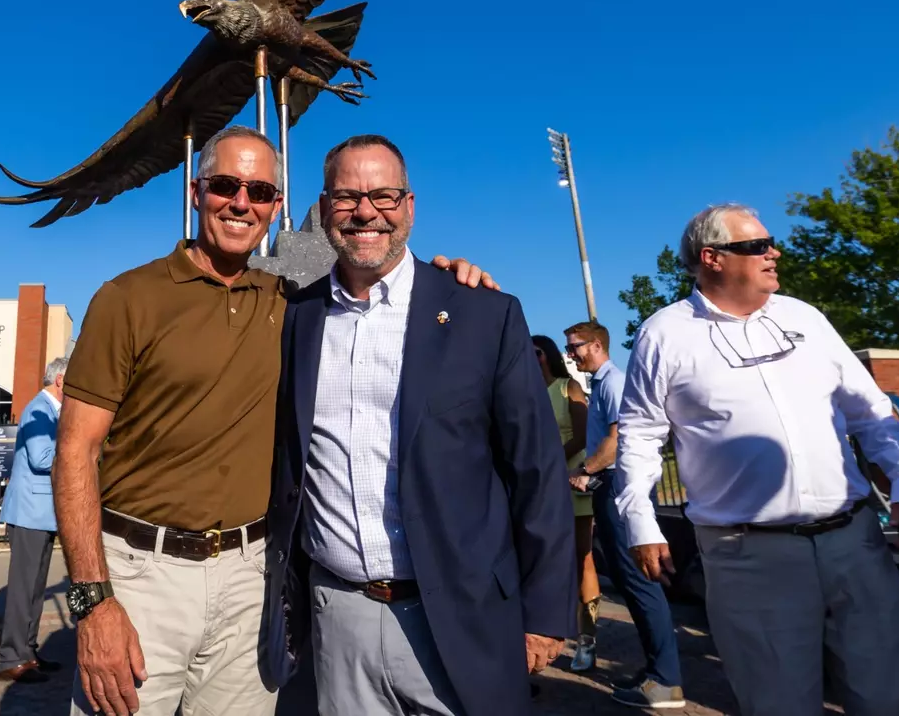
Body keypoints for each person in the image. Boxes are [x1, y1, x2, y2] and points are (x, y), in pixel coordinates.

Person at [55, 125, 491, 716]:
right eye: (225, 185)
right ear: (196, 191)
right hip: (142, 573)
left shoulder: (292, 299)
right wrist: (93, 602)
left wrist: (451, 280)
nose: (241, 203)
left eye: (259, 191)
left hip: (249, 578)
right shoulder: (128, 298)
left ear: (276, 205)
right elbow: (75, 452)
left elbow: (378, 269)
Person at [266, 134, 575, 716]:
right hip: (339, 620)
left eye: (384, 196)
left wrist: (545, 612)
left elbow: (536, 471)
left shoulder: (483, 313)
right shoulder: (295, 318)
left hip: (464, 614)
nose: (366, 213)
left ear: (409, 206)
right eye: (347, 197)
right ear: (324, 208)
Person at [616, 203, 899, 716]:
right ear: (712, 258)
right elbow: (639, 435)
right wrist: (641, 522)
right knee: (778, 702)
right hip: (748, 555)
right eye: (757, 246)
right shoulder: (665, 333)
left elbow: (870, 410)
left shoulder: (804, 317)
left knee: (893, 696)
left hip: (855, 542)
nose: (774, 253)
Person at [564, 321, 684, 709]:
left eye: (576, 346)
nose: (571, 354)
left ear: (597, 345)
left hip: (618, 486)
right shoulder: (601, 384)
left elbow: (618, 441)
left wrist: (585, 471)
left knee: (639, 580)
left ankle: (665, 679)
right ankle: (657, 672)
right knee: (631, 581)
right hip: (610, 487)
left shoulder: (613, 383)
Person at [0, 355, 69, 683]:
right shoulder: (39, 410)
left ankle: (27, 653)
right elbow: (42, 458)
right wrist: (76, 448)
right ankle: (11, 659)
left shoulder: (52, 411)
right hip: (29, 513)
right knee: (24, 589)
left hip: (41, 515)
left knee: (35, 590)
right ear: (60, 380)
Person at [533, 334, 601, 673]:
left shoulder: (568, 387)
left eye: (532, 353)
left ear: (543, 355)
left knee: (581, 557)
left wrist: (552, 464)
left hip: (571, 478)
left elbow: (582, 434)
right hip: (540, 484)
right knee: (544, 558)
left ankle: (587, 641)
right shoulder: (527, 393)